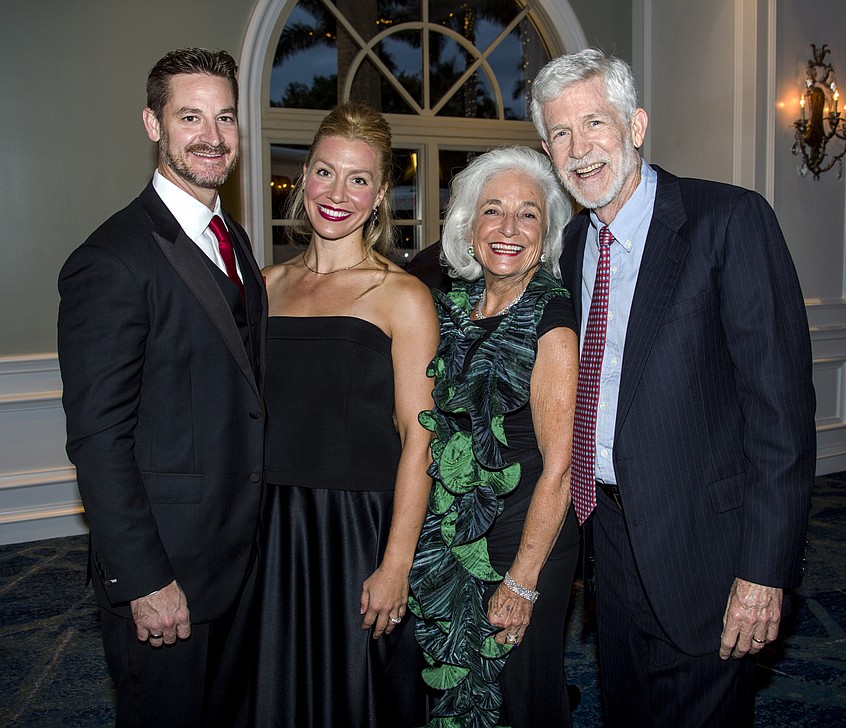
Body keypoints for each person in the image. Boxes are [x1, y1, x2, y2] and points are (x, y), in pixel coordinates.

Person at [530, 49, 817, 727]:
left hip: (708, 550)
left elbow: (781, 415)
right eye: (561, 135)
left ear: (635, 126)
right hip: (609, 541)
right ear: (547, 149)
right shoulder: (573, 243)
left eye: (594, 124)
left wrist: (765, 571)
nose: (580, 149)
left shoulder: (729, 222)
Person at [57, 48, 266, 727]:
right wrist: (145, 580)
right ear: (153, 124)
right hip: (167, 572)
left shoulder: (232, 240)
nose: (212, 135)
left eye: (226, 117)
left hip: (239, 561)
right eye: (190, 117)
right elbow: (98, 439)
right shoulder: (111, 259)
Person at [253, 102, 438, 727]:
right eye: (325, 172)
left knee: (352, 697)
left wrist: (396, 565)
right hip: (268, 529)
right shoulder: (263, 284)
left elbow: (421, 439)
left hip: (355, 532)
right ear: (302, 175)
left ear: (381, 193)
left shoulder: (402, 295)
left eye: (358, 179)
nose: (338, 194)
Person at [409, 146, 579, 728]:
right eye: (493, 211)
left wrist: (523, 581)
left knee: (520, 697)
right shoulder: (448, 308)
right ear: (467, 225)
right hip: (452, 535)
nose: (509, 229)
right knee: (452, 686)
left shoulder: (551, 322)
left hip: (521, 543)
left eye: (528, 213)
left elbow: (560, 466)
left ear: (547, 230)